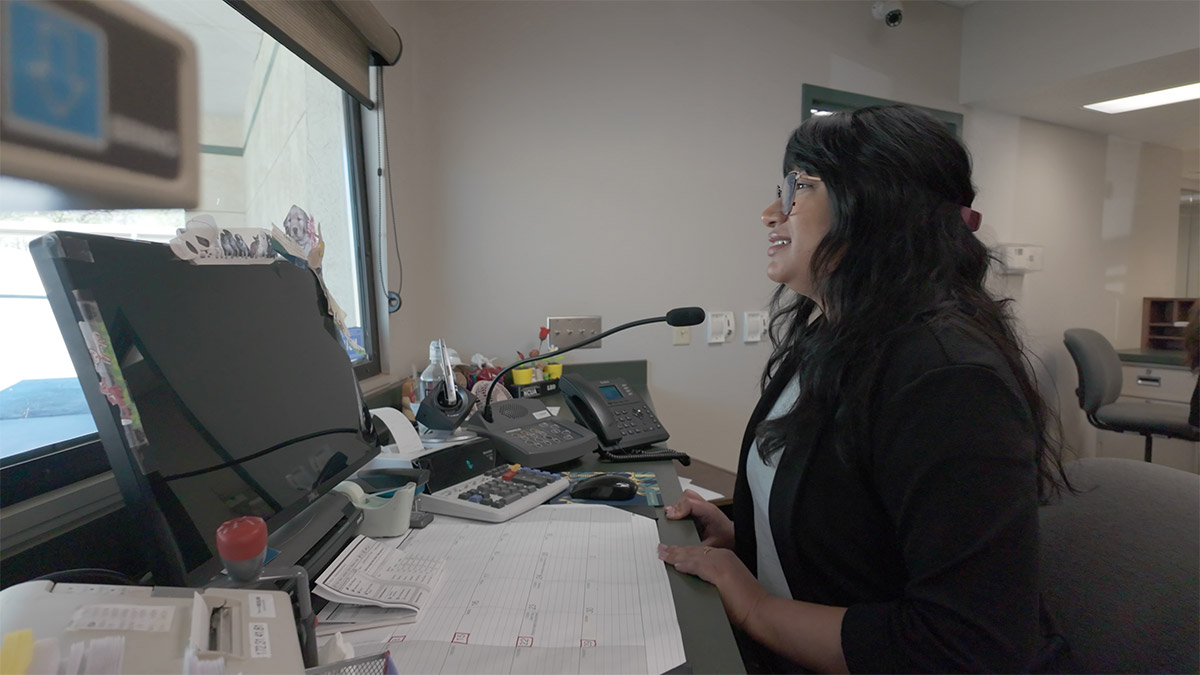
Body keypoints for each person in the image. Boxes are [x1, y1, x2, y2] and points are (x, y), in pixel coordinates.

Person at [657, 105, 1071, 673]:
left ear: (876, 205)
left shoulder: (946, 376)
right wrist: (752, 541)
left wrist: (754, 606)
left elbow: (965, 648)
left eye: (795, 188)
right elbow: (852, 525)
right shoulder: (829, 336)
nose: (769, 213)